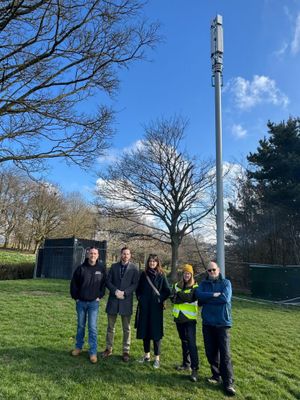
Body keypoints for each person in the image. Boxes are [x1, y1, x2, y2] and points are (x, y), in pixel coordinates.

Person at [195, 261, 236, 396]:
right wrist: (213, 295)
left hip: (222, 323)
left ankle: (228, 382)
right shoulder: (204, 284)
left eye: (213, 270)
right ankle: (215, 375)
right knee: (210, 352)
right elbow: (198, 295)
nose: (212, 272)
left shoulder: (226, 283)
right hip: (207, 323)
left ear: (218, 269)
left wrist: (207, 298)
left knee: (225, 354)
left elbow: (225, 298)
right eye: (209, 271)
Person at [102, 246, 139, 362]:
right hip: (113, 299)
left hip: (126, 301)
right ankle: (108, 348)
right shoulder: (113, 267)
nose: (125, 256)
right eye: (123, 254)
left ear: (130, 255)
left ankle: (126, 351)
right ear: (120, 254)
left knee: (126, 328)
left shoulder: (134, 268)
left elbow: (135, 284)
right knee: (110, 327)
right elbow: (107, 281)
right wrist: (115, 291)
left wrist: (125, 292)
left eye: (127, 254)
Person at [70, 247, 106, 364]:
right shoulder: (81, 268)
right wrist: (76, 298)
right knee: (80, 326)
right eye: (91, 253)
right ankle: (78, 347)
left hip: (93, 304)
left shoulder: (101, 269)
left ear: (98, 255)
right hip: (81, 302)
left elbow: (103, 285)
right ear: (88, 254)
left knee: (92, 327)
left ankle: (93, 352)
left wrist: (99, 296)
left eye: (95, 253)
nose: (93, 255)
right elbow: (73, 284)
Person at [135, 254, 171, 369]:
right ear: (148, 263)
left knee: (156, 333)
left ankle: (157, 358)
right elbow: (138, 289)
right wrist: (140, 298)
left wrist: (160, 299)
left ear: (157, 263)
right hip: (145, 308)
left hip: (156, 309)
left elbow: (167, 291)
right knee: (145, 332)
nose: (152, 263)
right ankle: (146, 355)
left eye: (154, 261)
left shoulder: (161, 275)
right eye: (150, 261)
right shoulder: (143, 275)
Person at [171, 264, 199, 382]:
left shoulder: (196, 286)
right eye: (185, 273)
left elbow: (190, 298)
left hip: (190, 319)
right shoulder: (177, 285)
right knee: (184, 341)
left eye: (189, 273)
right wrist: (181, 296)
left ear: (191, 274)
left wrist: (180, 295)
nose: (186, 275)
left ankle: (194, 369)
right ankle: (185, 364)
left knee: (191, 344)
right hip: (179, 318)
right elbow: (173, 298)